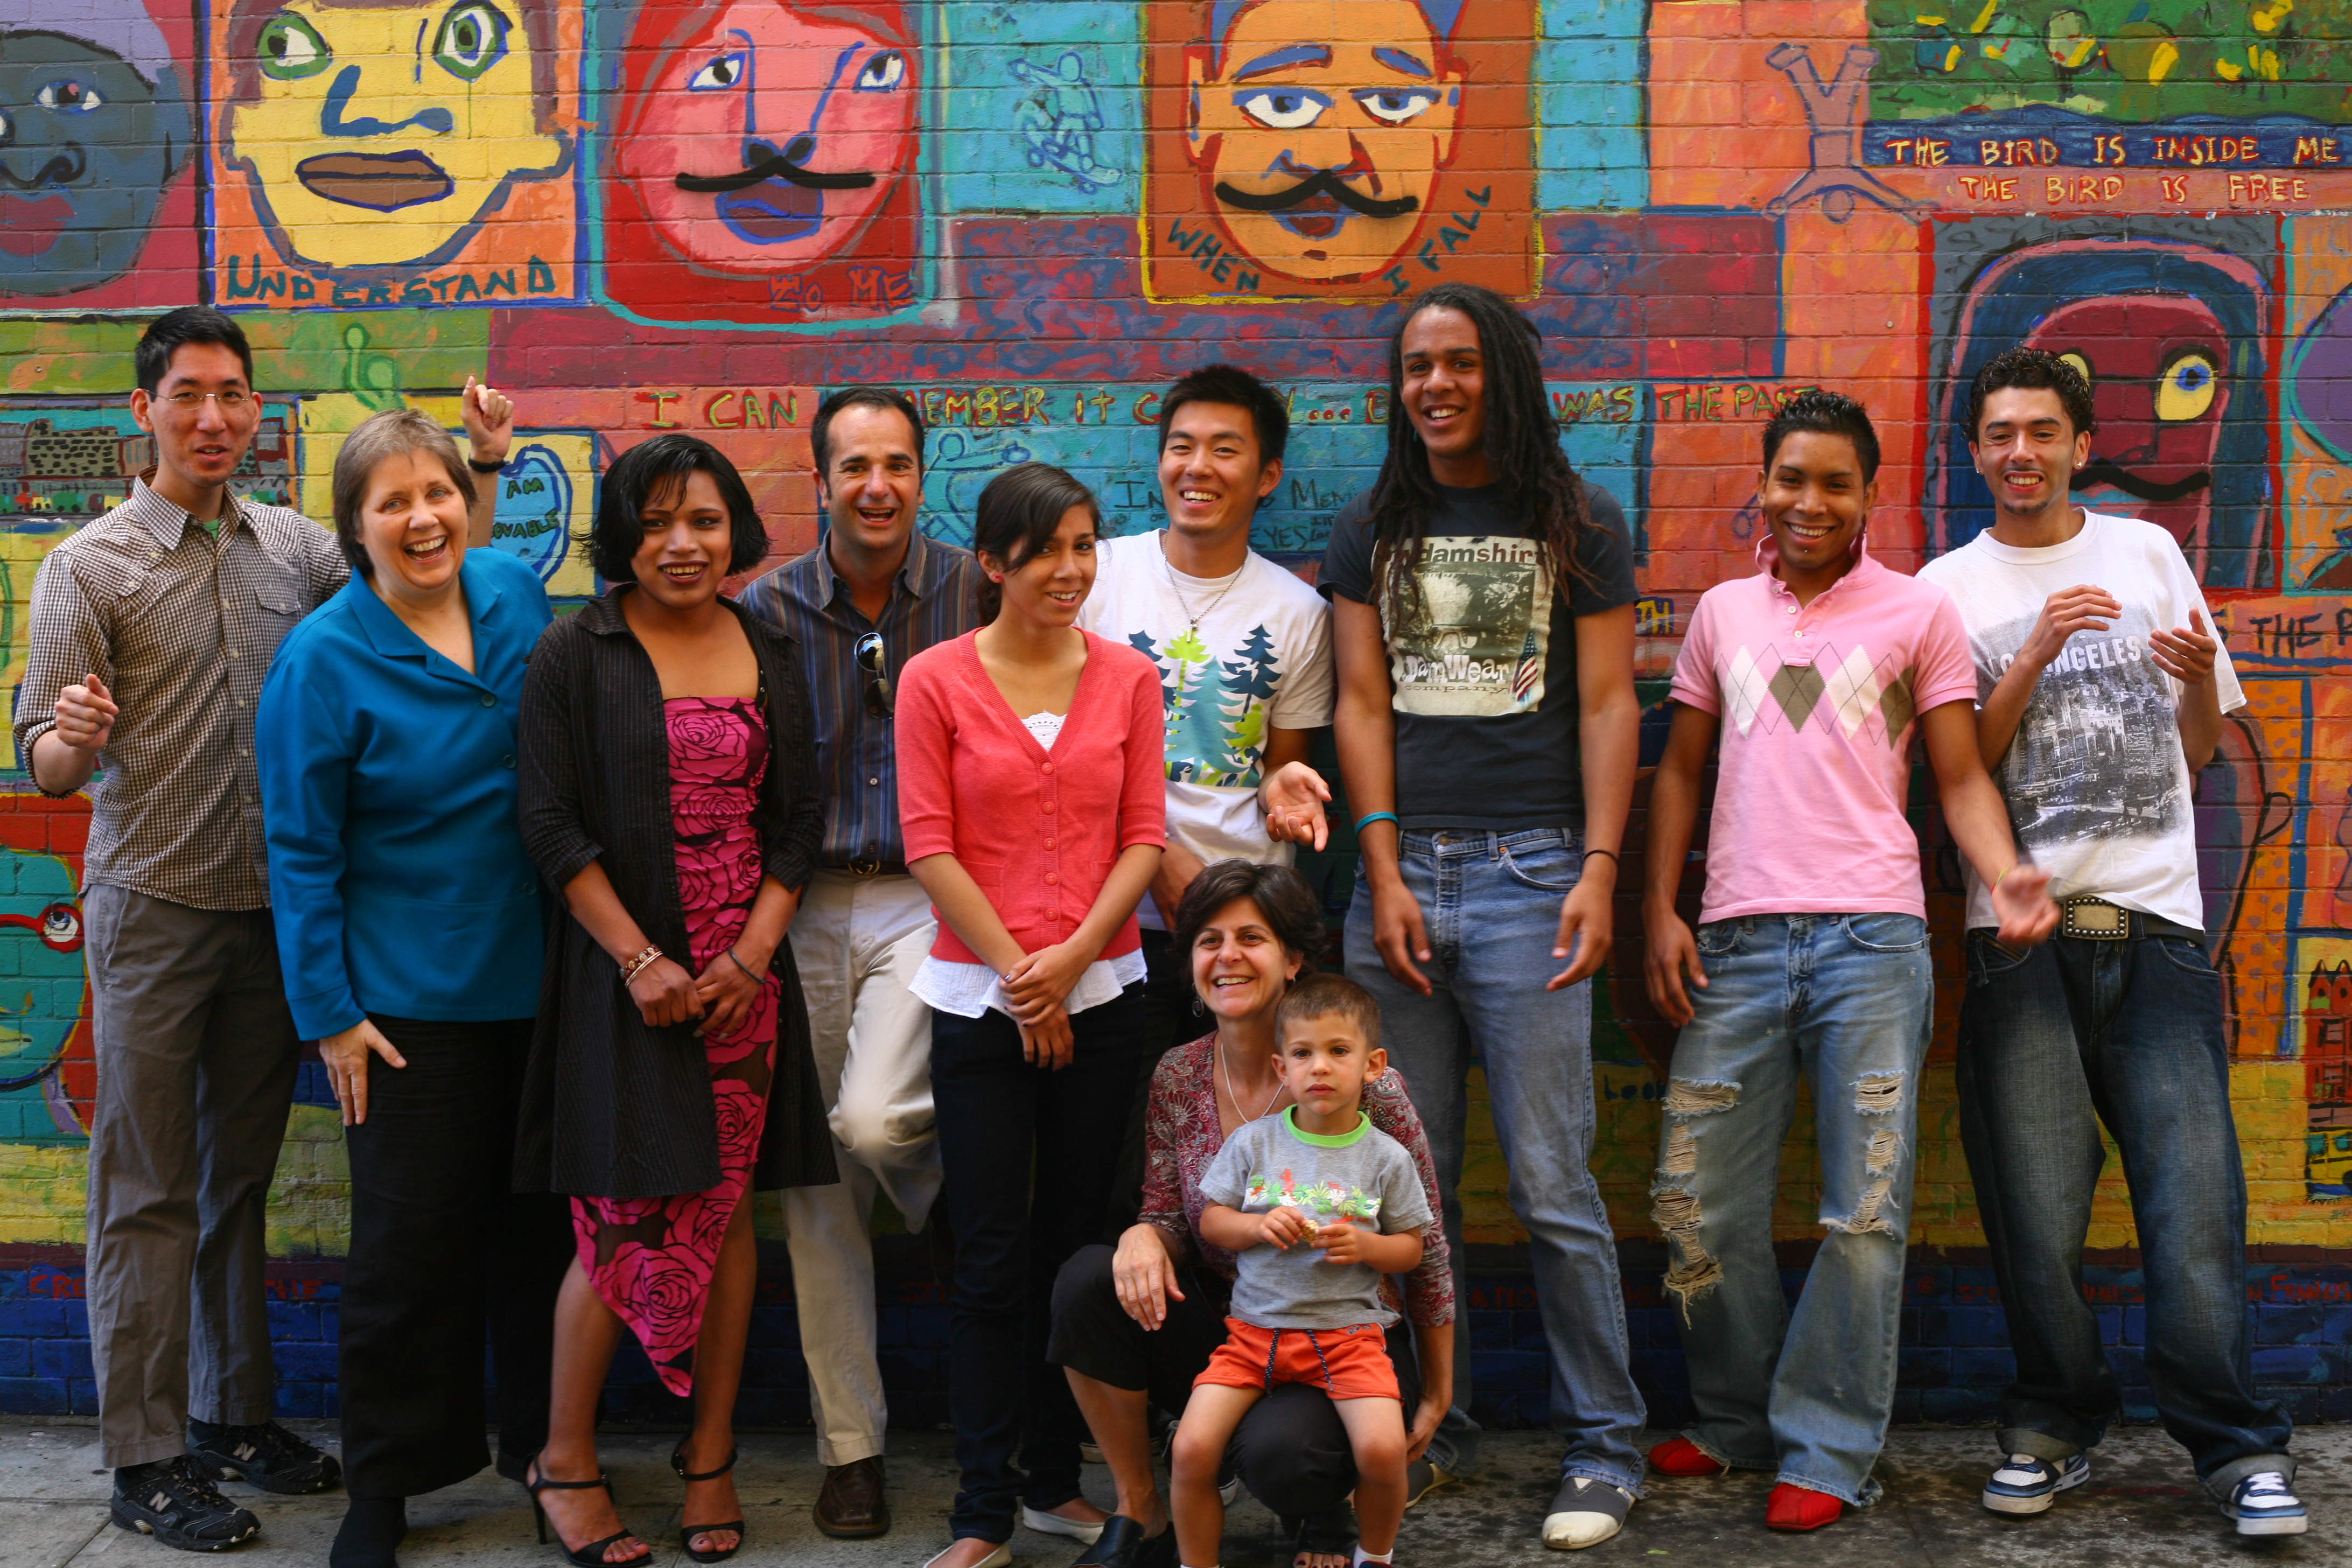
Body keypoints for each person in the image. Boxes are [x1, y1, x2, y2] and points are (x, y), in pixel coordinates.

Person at [13, 304, 512, 1555]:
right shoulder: (89, 566)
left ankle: (232, 1415)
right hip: (153, 909)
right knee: (145, 1188)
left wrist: (483, 469)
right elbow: (44, 763)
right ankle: (144, 1457)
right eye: (187, 395)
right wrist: (69, 736)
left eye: (232, 393)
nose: (213, 417)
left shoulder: (293, 547)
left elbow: (425, 580)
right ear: (145, 411)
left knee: (236, 1180)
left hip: (272, 921)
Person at [1637, 390, 2060, 1531]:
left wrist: (2003, 872)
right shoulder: (1722, 614)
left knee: (1861, 1210)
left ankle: (1826, 1451)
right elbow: (1679, 771)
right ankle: (1735, 1420)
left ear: (1870, 494)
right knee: (1693, 1199)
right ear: (1761, 486)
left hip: (1872, 941)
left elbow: (1959, 774)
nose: (1809, 501)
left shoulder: (1917, 611)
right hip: (1734, 941)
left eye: (1835, 482)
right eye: (1791, 478)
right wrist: (1660, 909)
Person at [1915, 347, 2306, 1538]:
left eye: (2043, 430)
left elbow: (2195, 749)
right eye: (1999, 433)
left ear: (2081, 444)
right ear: (1973, 451)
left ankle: (2236, 1449)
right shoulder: (1945, 589)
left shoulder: (2146, 553)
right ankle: (2053, 1421)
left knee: (2192, 1204)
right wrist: (2032, 652)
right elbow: (1959, 767)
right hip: (2018, 940)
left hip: (2160, 930)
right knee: (2033, 1214)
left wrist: (2190, 684)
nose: (2020, 452)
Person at [1318, 281, 1645, 1549]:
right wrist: (1382, 870)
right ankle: (1430, 1424)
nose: (1436, 386)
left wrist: (1600, 869)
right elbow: (1360, 703)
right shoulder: (1374, 525)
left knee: (1555, 1182)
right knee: (1412, 1183)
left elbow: (1611, 704)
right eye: (1417, 366)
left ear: (1504, 374)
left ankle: (1605, 1443)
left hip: (1536, 876)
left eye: (1459, 363)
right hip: (1401, 885)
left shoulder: (1580, 520)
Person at [255, 408, 571, 1568]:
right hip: (403, 1011)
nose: (422, 517)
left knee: (541, 1244)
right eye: (392, 502)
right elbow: (300, 852)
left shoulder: (514, 595)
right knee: (407, 1254)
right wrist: (330, 1015)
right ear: (356, 527)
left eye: (436, 492)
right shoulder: (320, 661)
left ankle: (549, 1457)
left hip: (542, 985)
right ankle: (385, 1483)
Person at [514, 433, 837, 1567]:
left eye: (701, 520)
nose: (681, 544)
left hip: (742, 988)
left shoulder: (769, 643)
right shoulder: (576, 650)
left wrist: (749, 957)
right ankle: (565, 1460)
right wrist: (641, 958)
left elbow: (800, 820)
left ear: (734, 529)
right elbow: (547, 820)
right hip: (627, 984)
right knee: (619, 1217)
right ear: (622, 536)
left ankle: (710, 1458)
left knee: (726, 1211)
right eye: (654, 524)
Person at [895, 462, 1166, 1568]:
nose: (1070, 568)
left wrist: (1073, 965)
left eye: (1085, 545)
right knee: (990, 1255)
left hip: (1104, 997)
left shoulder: (1130, 678)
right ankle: (981, 1510)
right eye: (1046, 548)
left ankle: (1057, 1482)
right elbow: (928, 844)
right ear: (993, 562)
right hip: (980, 1002)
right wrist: (1023, 978)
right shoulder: (934, 680)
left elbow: (1143, 837)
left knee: (1074, 1249)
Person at [1049, 861, 1455, 1568]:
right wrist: (1145, 1234)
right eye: (1209, 941)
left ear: (1292, 959)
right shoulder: (1179, 1074)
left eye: (1251, 938)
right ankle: (1141, 1508)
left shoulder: (1368, 1085)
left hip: (1347, 1331)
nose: (1227, 956)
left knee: (1288, 1459)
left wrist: (1441, 1391)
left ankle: (1328, 1503)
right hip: (1239, 1331)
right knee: (1090, 1278)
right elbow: (1170, 1212)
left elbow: (1427, 1246)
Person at [737, 386, 981, 1539]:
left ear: (922, 476)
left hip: (934, 898)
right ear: (820, 481)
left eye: (897, 465)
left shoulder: (974, 592)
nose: (876, 486)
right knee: (813, 1190)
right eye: (854, 467)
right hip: (798, 905)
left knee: (874, 1123)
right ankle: (852, 1449)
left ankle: (965, 1201)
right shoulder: (767, 608)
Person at [1074, 363, 1336, 1227]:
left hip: (1235, 940)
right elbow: (1059, 754)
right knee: (1117, 1164)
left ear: (1267, 476)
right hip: (1113, 926)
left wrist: (1284, 790)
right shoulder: (1098, 575)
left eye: (1226, 450)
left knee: (1236, 1164)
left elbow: (1278, 767)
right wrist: (1154, 856)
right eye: (1181, 446)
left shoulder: (1297, 610)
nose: (1198, 467)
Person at [1172, 973, 1430, 1568]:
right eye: (1302, 1053)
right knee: (1191, 1450)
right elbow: (1211, 1221)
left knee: (1383, 1451)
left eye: (1338, 1051)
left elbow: (1412, 1250)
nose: (1320, 1067)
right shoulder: (1253, 1144)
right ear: (1281, 1067)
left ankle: (1374, 1555)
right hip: (1252, 1337)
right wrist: (1257, 1226)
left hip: (1349, 1339)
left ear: (1373, 1065)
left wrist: (1368, 1246)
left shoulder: (1386, 1157)